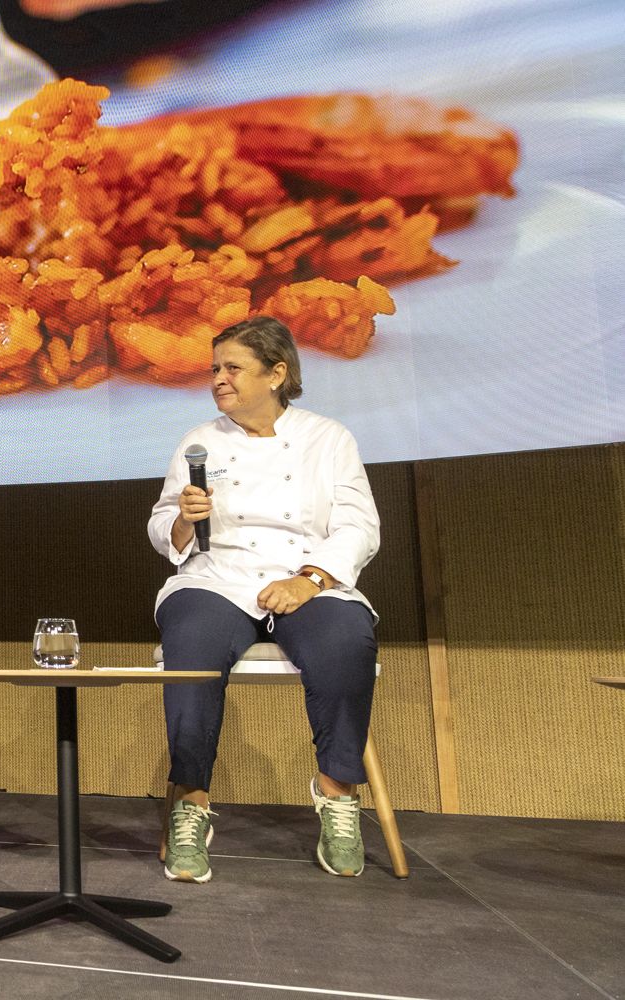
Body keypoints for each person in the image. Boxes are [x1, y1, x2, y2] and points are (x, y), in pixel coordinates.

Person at [147, 316, 380, 882]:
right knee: (192, 641)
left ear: (277, 374)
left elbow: (359, 526)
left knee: (345, 639)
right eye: (214, 369)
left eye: (232, 368)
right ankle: (191, 804)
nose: (218, 380)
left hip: (305, 578)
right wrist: (182, 519)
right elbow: (160, 528)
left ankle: (338, 796)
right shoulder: (197, 441)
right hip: (218, 578)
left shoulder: (329, 439)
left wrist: (311, 579)